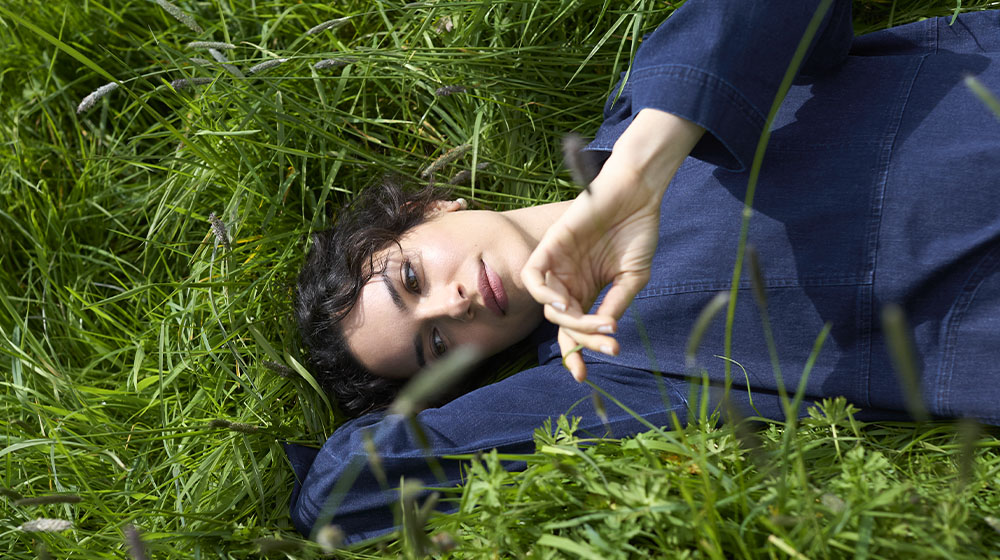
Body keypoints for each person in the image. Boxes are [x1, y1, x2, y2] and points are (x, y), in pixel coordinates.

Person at [288, 0, 1000, 543]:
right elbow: (343, 492)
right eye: (435, 346)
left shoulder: (645, 112)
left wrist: (637, 171)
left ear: (428, 206)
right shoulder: (602, 371)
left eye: (412, 278)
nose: (455, 304)